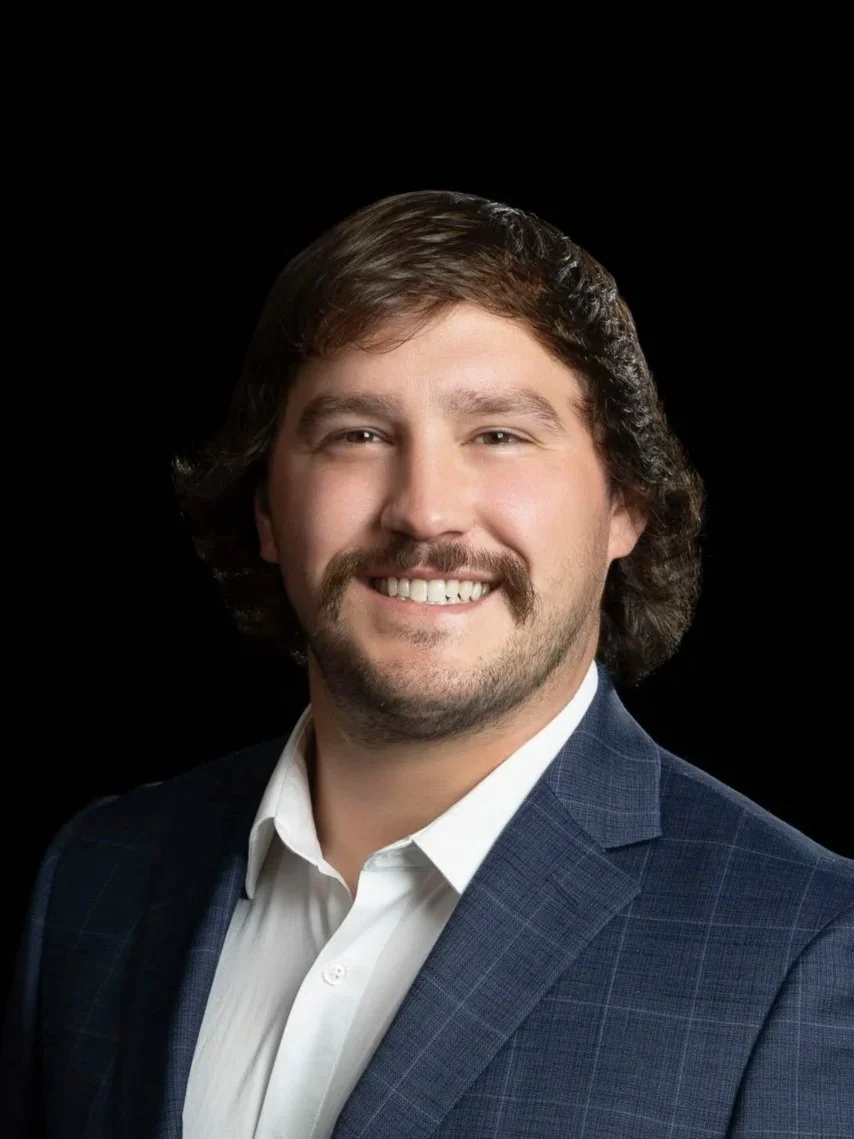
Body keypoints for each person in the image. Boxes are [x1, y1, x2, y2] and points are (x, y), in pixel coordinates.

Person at [3, 190, 852, 1139]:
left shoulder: (804, 949)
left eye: (498, 434)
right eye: (357, 433)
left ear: (626, 504)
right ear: (266, 511)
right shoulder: (99, 876)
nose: (425, 511)